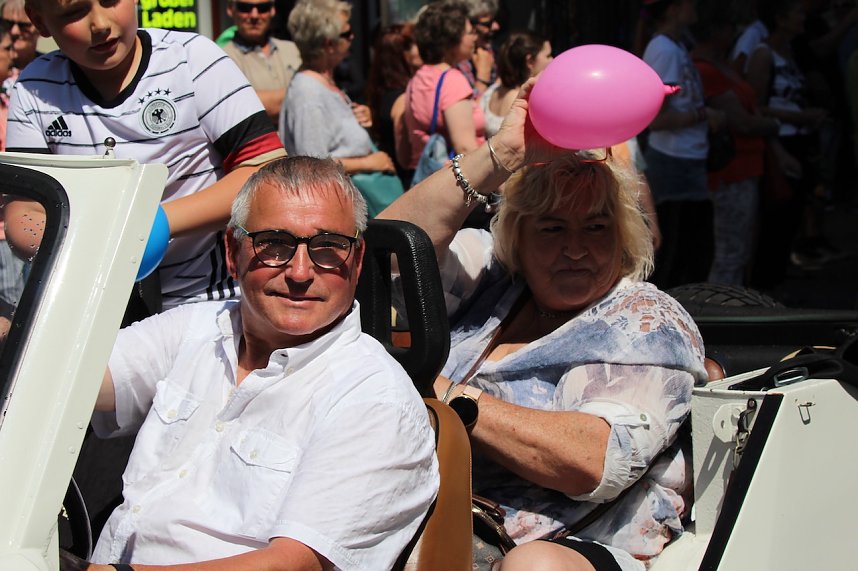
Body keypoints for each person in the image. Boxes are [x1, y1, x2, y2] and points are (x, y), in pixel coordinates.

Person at [378, 80, 707, 571]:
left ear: (622, 236)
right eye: (553, 228)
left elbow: (597, 461)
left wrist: (441, 394)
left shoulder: (644, 319)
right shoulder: (492, 277)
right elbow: (385, 258)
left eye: (596, 227)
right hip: (432, 517)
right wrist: (501, 153)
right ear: (517, 234)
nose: (576, 248)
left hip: (572, 543)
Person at [65, 156, 439, 569]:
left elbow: (289, 565)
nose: (300, 271)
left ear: (358, 259)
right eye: (274, 244)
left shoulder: (374, 401)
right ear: (232, 251)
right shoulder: (198, 326)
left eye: (329, 247)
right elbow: (72, 378)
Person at [4, 0, 285, 311]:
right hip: (88, 309)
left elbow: (266, 170)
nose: (100, 23)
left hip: (206, 304)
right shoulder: (34, 87)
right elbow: (23, 207)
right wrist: (74, 242)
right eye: (74, 12)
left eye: (111, 0)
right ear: (40, 21)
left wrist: (156, 224)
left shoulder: (192, 60)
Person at [692, 5, 782, 286]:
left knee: (739, 249)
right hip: (729, 171)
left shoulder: (723, 66)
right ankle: (725, 317)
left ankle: (734, 309)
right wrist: (775, 124)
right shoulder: (704, 69)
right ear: (716, 31)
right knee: (729, 251)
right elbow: (741, 121)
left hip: (747, 167)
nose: (735, 34)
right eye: (731, 27)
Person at [746, 0, 831, 287]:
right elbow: (755, 106)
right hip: (778, 143)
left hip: (800, 140)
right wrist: (796, 117)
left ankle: (777, 283)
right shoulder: (763, 54)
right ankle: (764, 287)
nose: (802, 17)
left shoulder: (792, 53)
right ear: (780, 18)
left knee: (791, 218)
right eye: (795, 11)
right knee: (775, 220)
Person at [640, 0, 723, 290]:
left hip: (686, 161)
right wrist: (704, 115)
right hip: (674, 162)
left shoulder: (675, 46)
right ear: (673, 8)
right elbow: (658, 118)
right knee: (679, 251)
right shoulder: (664, 49)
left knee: (689, 248)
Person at [279, 1, 396, 185]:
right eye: (347, 33)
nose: (352, 37)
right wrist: (368, 163)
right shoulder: (307, 92)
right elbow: (312, 166)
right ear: (329, 44)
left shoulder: (324, 81)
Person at [401, 1, 486, 183]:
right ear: (451, 40)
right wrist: (502, 190)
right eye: (470, 32)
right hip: (454, 186)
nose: (475, 38)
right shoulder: (453, 79)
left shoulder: (416, 79)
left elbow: (404, 149)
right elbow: (465, 146)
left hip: (423, 180)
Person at [222, 0, 301, 126]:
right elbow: (243, 110)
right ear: (231, 9)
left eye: (263, 8)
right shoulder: (222, 58)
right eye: (245, 8)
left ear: (272, 10)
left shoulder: (294, 50)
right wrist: (304, 94)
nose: (254, 15)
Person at [366, 23, 422, 187]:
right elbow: (404, 158)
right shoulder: (402, 99)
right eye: (413, 44)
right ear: (402, 54)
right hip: (402, 181)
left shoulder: (380, 90)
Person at [480, 30, 551, 138]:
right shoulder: (524, 102)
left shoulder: (491, 91)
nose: (552, 59)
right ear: (530, 61)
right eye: (548, 56)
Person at [451, 0, 500, 97]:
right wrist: (483, 77)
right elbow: (471, 108)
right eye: (487, 24)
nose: (496, 26)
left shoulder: (490, 50)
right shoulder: (456, 63)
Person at [0, 0, 39, 72]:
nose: (14, 31)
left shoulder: (52, 68)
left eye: (23, 25)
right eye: (8, 23)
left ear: (41, 27)